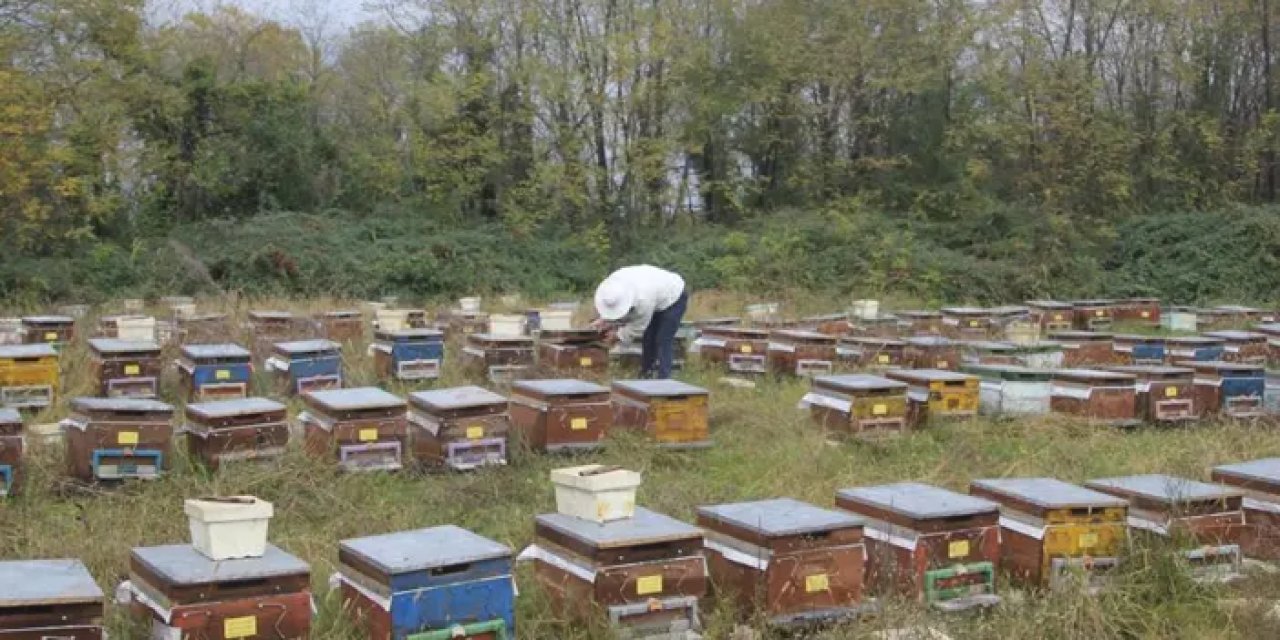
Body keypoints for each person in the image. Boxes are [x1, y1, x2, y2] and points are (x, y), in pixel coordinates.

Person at [592, 265, 688, 379]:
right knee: (648, 338)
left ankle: (664, 380)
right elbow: (623, 310)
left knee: (663, 339)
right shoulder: (613, 286)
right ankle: (646, 375)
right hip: (655, 292)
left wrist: (617, 336)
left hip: (674, 297)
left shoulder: (643, 300)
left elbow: (638, 327)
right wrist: (604, 319)